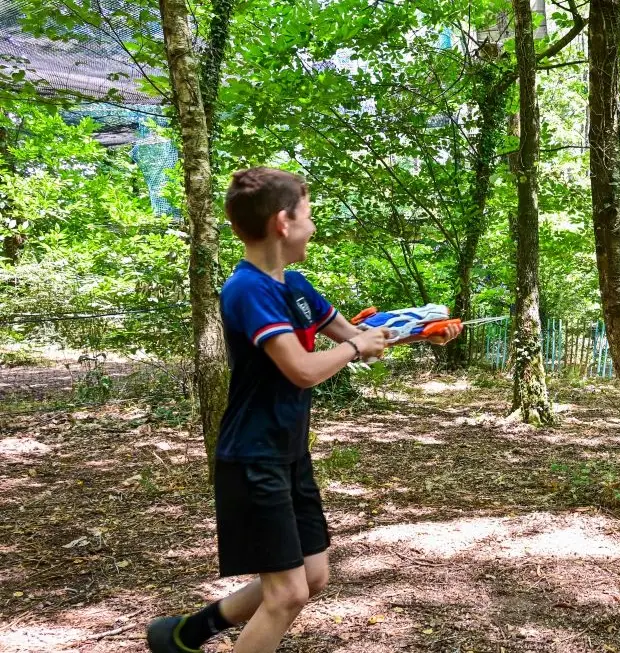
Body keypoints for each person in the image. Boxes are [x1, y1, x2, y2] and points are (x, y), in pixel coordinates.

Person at [146, 167, 462, 653]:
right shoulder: (248, 290)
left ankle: (184, 634)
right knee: (287, 594)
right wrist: (355, 349)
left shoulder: (295, 285)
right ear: (283, 223)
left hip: (288, 453)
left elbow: (357, 336)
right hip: (253, 457)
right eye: (309, 216)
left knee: (311, 577)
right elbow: (302, 369)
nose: (313, 227)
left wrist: (421, 332)